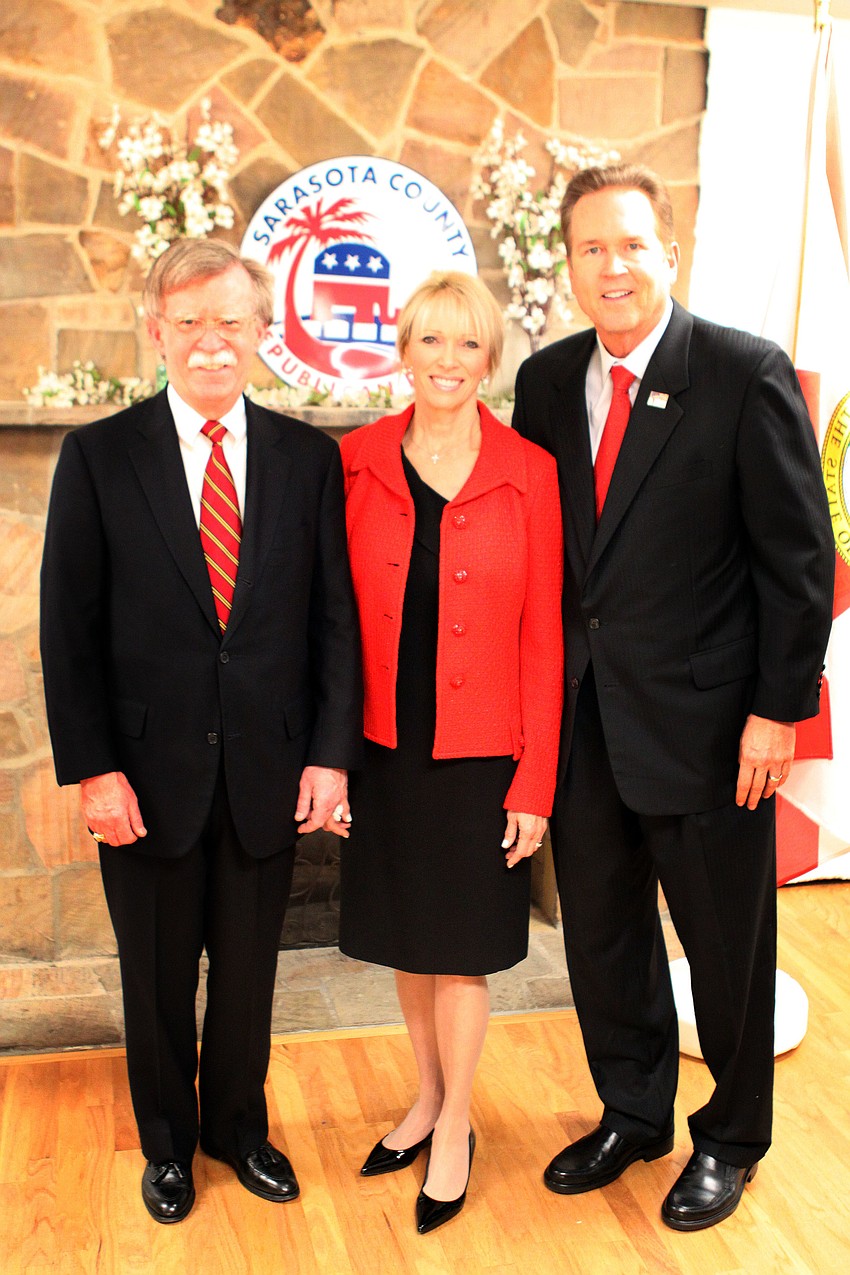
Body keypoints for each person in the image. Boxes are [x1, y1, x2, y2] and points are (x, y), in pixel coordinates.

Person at [512, 163, 834, 1231]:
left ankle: (731, 1138)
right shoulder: (548, 382)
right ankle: (632, 1111)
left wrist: (775, 711)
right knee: (602, 934)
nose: (613, 265)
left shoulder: (742, 374)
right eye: (591, 248)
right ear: (567, 266)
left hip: (712, 727)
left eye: (631, 244)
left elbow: (797, 560)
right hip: (585, 722)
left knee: (725, 945)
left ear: (668, 252)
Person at [39, 239, 362, 1224]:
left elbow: (332, 623)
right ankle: (168, 1148)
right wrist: (95, 772)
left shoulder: (309, 459)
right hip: (145, 776)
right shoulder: (98, 457)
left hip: (268, 770)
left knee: (251, 973)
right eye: (189, 324)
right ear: (156, 333)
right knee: (157, 977)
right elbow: (68, 626)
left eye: (230, 322)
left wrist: (329, 755)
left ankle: (238, 1129)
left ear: (261, 333)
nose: (210, 345)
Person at [328, 271, 563, 1235]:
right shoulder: (352, 460)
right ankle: (423, 1096)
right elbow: (326, 621)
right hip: (385, 746)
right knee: (409, 941)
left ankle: (457, 1125)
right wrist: (328, 756)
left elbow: (546, 636)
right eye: (431, 341)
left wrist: (535, 779)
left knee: (462, 950)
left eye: (469, 345)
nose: (449, 361)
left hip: (483, 754)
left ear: (489, 359)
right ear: (404, 348)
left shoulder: (530, 469)